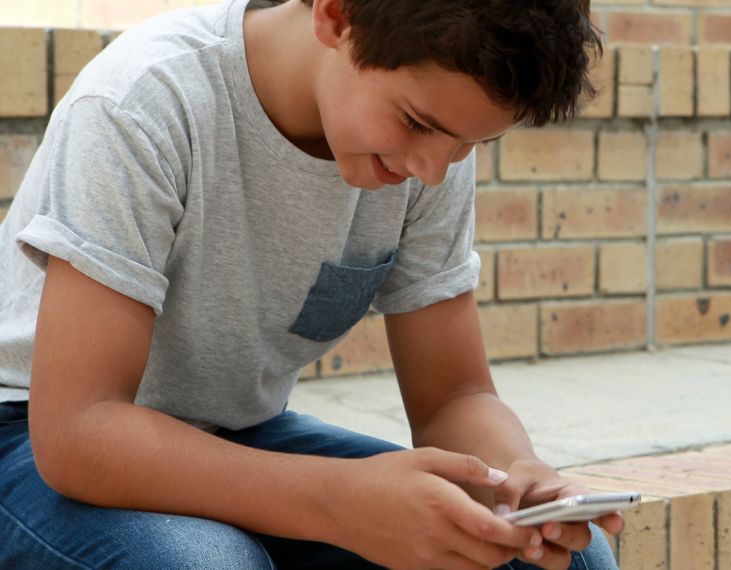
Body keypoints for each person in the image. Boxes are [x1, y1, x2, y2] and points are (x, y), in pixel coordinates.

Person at [0, 0, 621, 567]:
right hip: (30, 439)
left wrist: (518, 477)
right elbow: (80, 431)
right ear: (336, 16)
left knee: (567, 559)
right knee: (205, 563)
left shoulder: (428, 146)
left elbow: (452, 397)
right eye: (416, 124)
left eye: (470, 144)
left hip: (233, 433)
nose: (433, 172)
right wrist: (338, 502)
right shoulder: (145, 101)